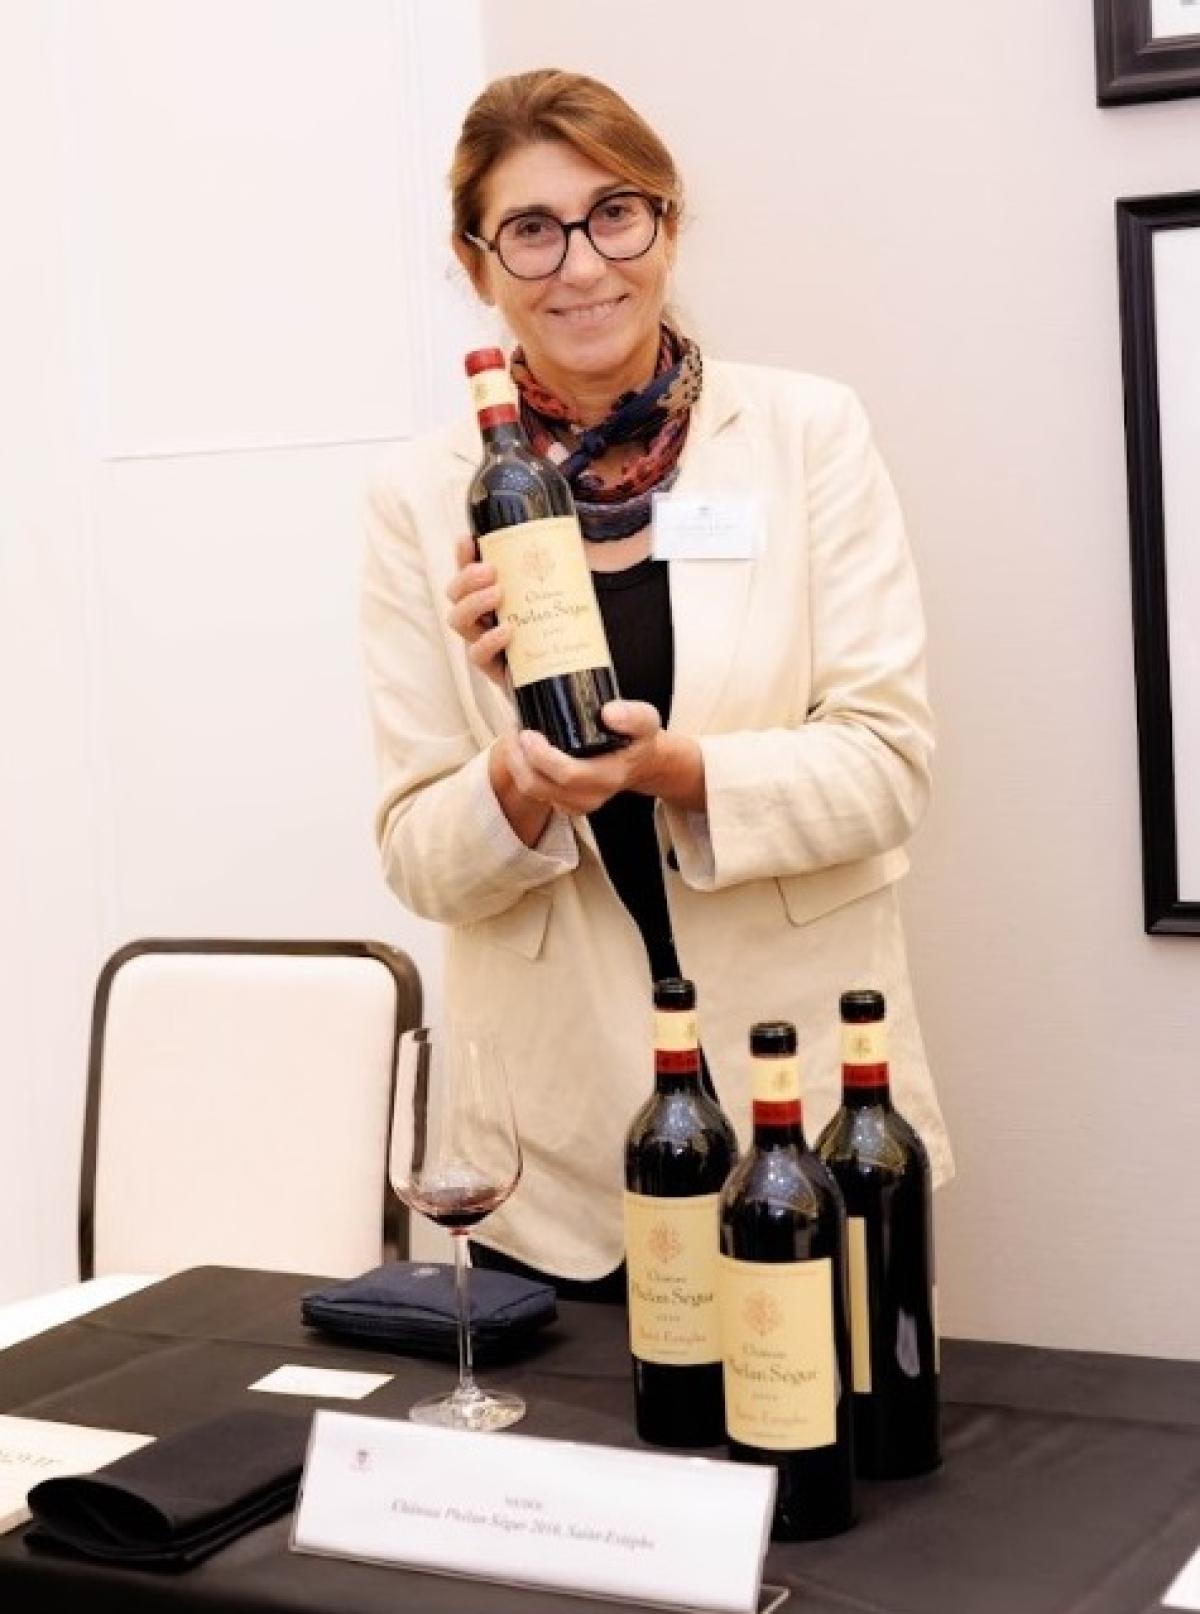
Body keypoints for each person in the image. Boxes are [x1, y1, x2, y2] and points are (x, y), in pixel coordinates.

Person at [361, 68, 952, 1298]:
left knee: (833, 1421)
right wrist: (519, 781)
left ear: (667, 227)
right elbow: (418, 854)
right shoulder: (419, 499)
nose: (581, 264)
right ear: (476, 263)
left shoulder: (806, 435)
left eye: (615, 214)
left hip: (801, 1104)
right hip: (555, 1152)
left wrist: (673, 770)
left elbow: (888, 768)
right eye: (532, 229)